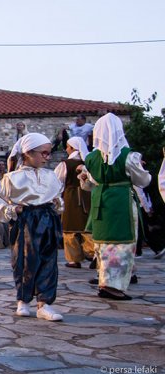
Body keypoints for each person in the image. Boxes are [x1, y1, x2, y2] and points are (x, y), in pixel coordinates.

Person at [0, 133, 64, 321]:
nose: (47, 157)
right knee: (25, 259)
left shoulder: (51, 176)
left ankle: (44, 303)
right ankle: (23, 300)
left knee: (48, 259)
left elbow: (59, 198)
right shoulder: (13, 178)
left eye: (49, 153)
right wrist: (12, 209)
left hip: (47, 219)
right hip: (27, 220)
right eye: (44, 153)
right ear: (29, 153)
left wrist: (57, 204)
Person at [78, 113, 150, 300]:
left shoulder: (91, 158)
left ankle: (104, 282)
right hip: (121, 202)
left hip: (100, 202)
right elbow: (143, 180)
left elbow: (88, 183)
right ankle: (113, 287)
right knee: (121, 245)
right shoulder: (128, 156)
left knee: (103, 245)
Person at [54, 137, 94, 268]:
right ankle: (93, 253)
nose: (66, 149)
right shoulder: (89, 162)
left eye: (67, 146)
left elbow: (58, 182)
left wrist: (56, 197)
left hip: (71, 196)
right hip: (88, 195)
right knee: (87, 226)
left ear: (72, 148)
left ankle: (74, 259)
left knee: (69, 227)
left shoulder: (65, 164)